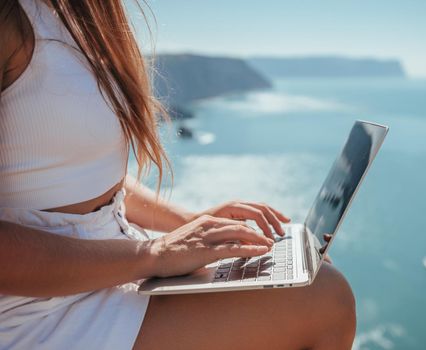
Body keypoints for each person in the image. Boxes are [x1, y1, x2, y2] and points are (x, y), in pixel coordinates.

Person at [0, 0, 356, 349]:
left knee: (307, 275)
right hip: (35, 314)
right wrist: (153, 254)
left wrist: (189, 221)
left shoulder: (75, 16)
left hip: (111, 269)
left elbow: (89, 175)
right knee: (325, 299)